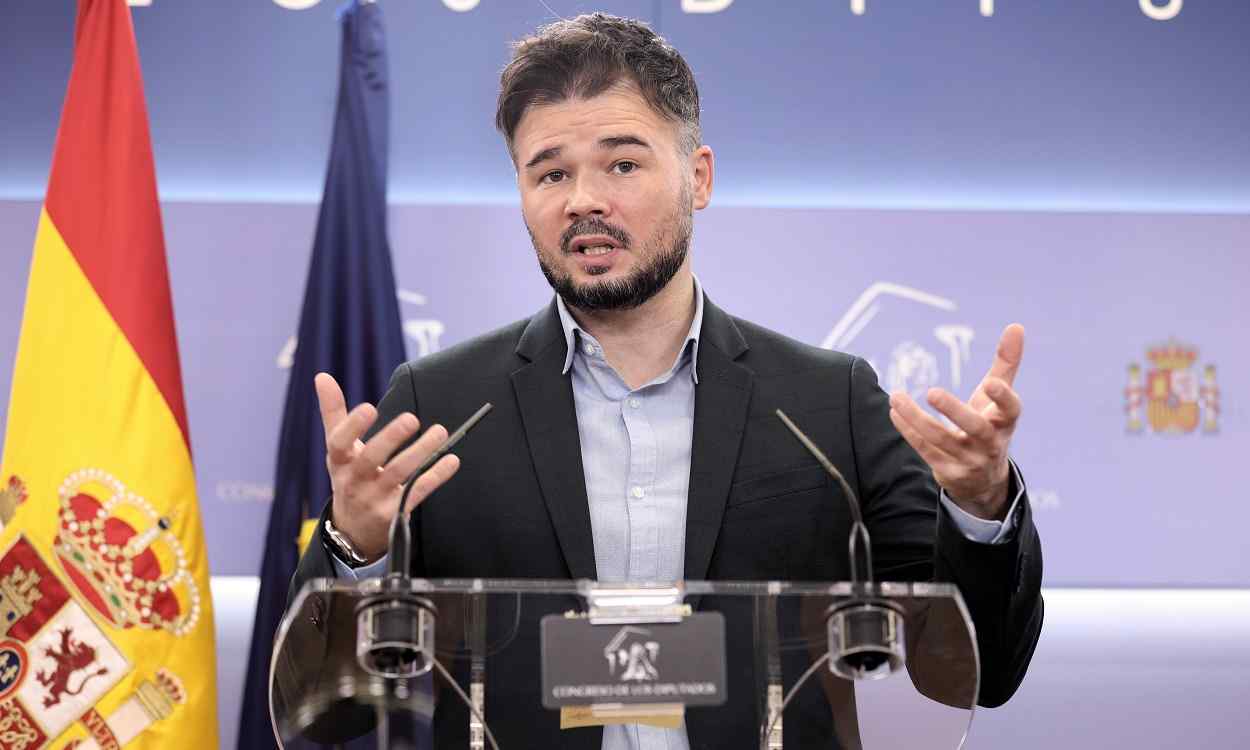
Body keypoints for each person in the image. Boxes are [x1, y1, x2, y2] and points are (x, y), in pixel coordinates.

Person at [287, 13, 1042, 749]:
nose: (582, 198)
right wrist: (355, 550)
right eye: (549, 172)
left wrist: (978, 507)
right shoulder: (443, 409)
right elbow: (332, 714)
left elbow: (972, 674)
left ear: (698, 176)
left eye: (622, 163)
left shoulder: (824, 405)